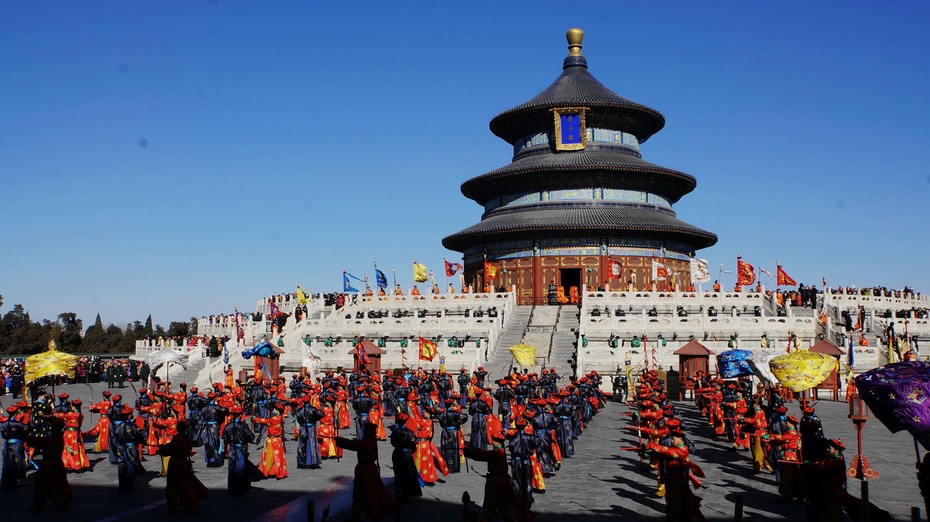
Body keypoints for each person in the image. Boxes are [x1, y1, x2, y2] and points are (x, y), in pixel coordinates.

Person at [335, 423, 396, 521]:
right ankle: (361, 514)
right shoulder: (372, 441)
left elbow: (353, 444)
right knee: (366, 493)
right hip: (370, 469)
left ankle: (371, 515)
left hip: (364, 470)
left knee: (366, 493)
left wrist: (341, 440)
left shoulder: (365, 442)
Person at [158, 419, 209, 513]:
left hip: (175, 463)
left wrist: (161, 449)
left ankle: (172, 506)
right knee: (186, 485)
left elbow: (171, 449)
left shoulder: (177, 438)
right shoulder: (187, 438)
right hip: (184, 463)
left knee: (173, 486)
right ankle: (190, 504)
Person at [222, 405, 261, 496]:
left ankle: (231, 488)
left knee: (231, 469)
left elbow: (225, 439)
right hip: (241, 449)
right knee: (239, 469)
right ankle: (239, 488)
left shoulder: (227, 426)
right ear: (240, 415)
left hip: (232, 448)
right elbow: (251, 437)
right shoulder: (243, 426)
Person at [388, 412, 421, 503]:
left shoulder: (394, 432)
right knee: (407, 474)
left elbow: (393, 443)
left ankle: (398, 493)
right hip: (406, 454)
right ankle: (406, 494)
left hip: (397, 453)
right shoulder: (409, 432)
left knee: (398, 474)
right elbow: (415, 441)